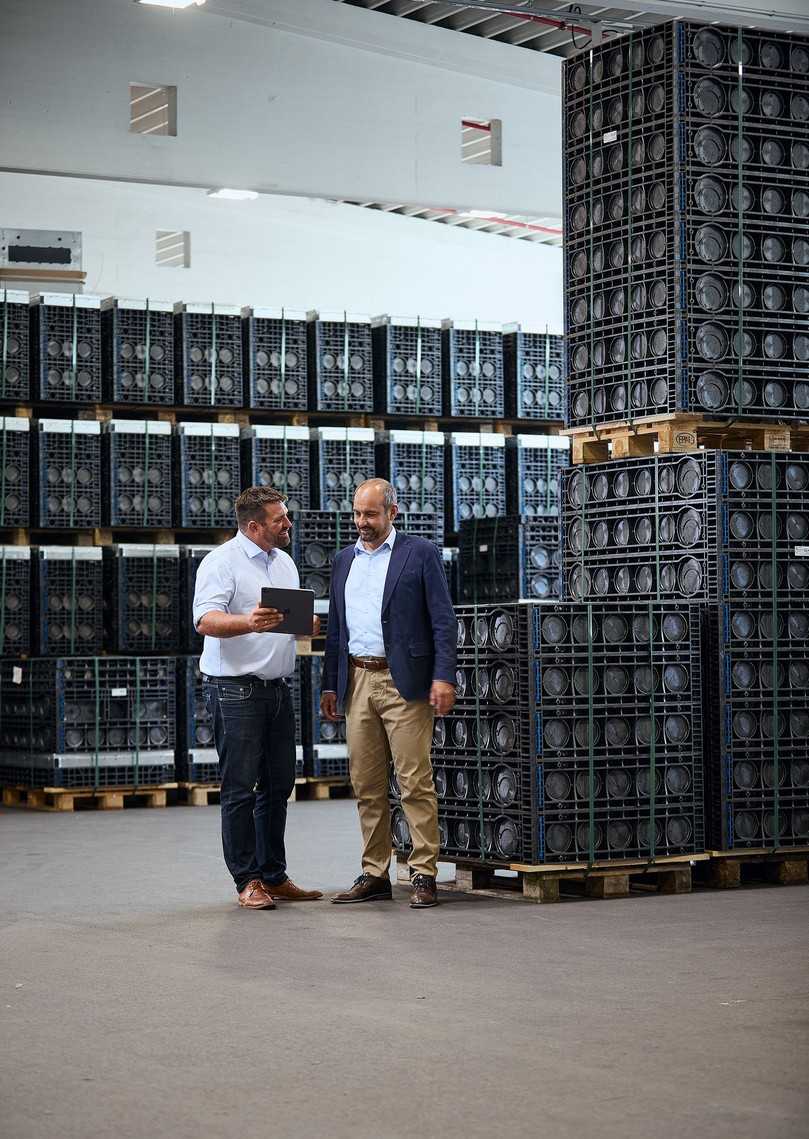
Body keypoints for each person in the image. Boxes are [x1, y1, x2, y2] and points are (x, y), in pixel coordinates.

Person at [321, 478, 456, 908]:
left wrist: (443, 676)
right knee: (366, 783)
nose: (362, 522)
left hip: (405, 683)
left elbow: (443, 621)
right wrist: (330, 683)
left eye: (371, 514)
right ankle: (374, 872)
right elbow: (337, 629)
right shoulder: (344, 560)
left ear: (392, 513)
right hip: (357, 680)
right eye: (358, 514)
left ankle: (423, 872)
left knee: (414, 780)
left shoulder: (420, 554)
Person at [193, 485, 323, 910]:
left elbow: (285, 624)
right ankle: (246, 880)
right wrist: (249, 622)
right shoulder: (221, 563)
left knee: (279, 784)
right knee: (239, 788)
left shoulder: (283, 562)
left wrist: (306, 626)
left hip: (276, 688)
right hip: (234, 690)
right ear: (253, 526)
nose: (288, 524)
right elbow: (206, 620)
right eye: (279, 519)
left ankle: (273, 874)